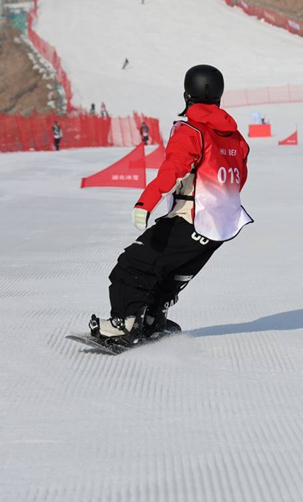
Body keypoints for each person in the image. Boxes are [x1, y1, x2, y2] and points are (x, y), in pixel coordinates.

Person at [88, 65, 253, 348]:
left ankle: (125, 324)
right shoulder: (236, 138)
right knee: (171, 270)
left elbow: (173, 169)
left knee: (135, 264)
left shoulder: (191, 130)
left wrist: (146, 202)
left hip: (192, 216)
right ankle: (153, 319)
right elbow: (239, 177)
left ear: (188, 95)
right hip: (223, 224)